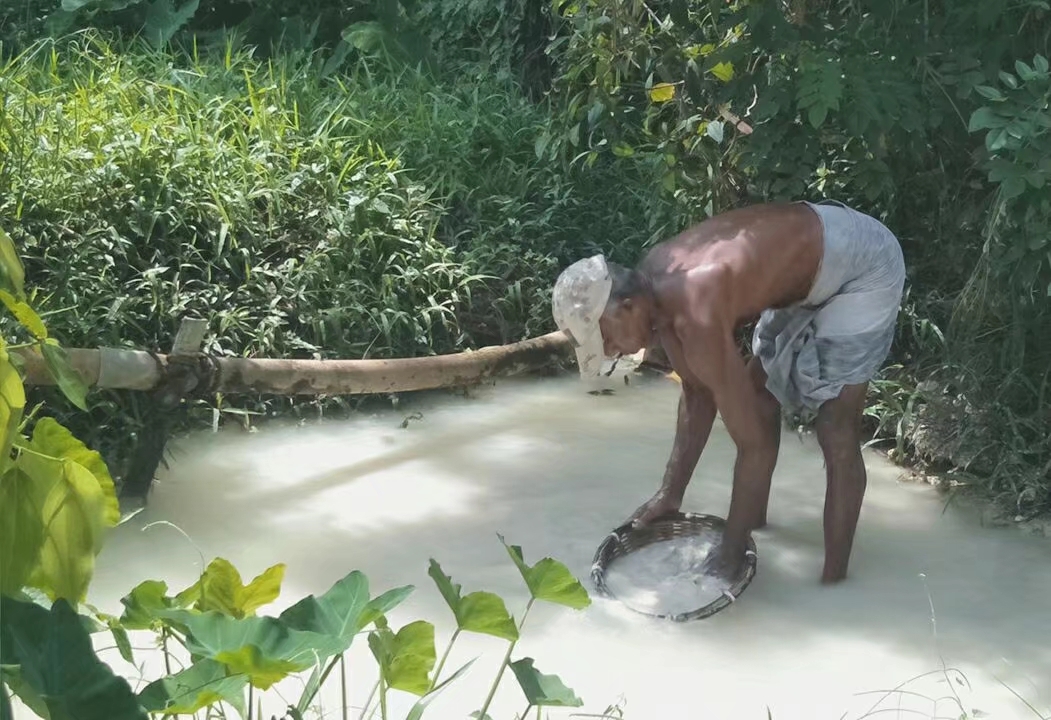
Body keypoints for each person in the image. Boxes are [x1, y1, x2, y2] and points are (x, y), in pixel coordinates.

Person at [550, 200, 905, 584]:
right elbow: (698, 393)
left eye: (604, 336)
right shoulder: (654, 286)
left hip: (863, 262)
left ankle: (834, 582)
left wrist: (729, 552)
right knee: (758, 395)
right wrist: (670, 493)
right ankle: (756, 525)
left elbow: (755, 447)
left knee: (836, 426)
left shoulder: (696, 309)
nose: (610, 351)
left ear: (628, 306)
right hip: (810, 268)